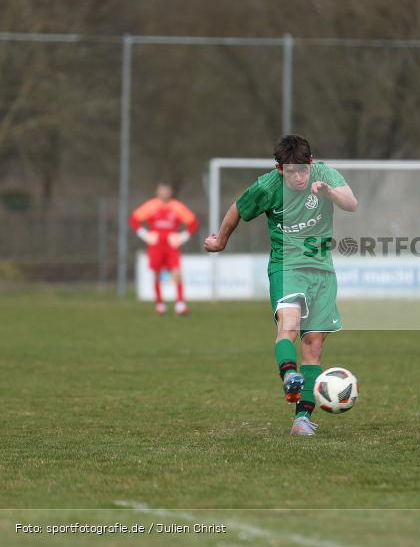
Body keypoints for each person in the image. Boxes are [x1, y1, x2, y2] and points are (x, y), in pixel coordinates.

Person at [203, 135, 358, 437]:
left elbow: (352, 204)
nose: (298, 178)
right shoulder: (267, 186)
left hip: (322, 271)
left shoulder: (325, 174)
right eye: (290, 172)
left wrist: (329, 192)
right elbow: (237, 208)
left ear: (311, 163)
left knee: (313, 345)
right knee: (288, 325)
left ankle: (302, 419)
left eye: (302, 170)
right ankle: (289, 375)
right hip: (286, 267)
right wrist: (221, 240)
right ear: (279, 169)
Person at [129, 182, 198, 315]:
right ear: (157, 192)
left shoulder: (177, 207)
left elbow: (193, 223)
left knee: (177, 273)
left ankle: (180, 305)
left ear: (170, 192)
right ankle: (160, 304)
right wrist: (145, 235)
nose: (164, 193)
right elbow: (133, 220)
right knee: (156, 274)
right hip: (156, 245)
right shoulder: (151, 205)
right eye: (162, 190)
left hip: (171, 246)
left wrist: (182, 237)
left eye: (166, 190)